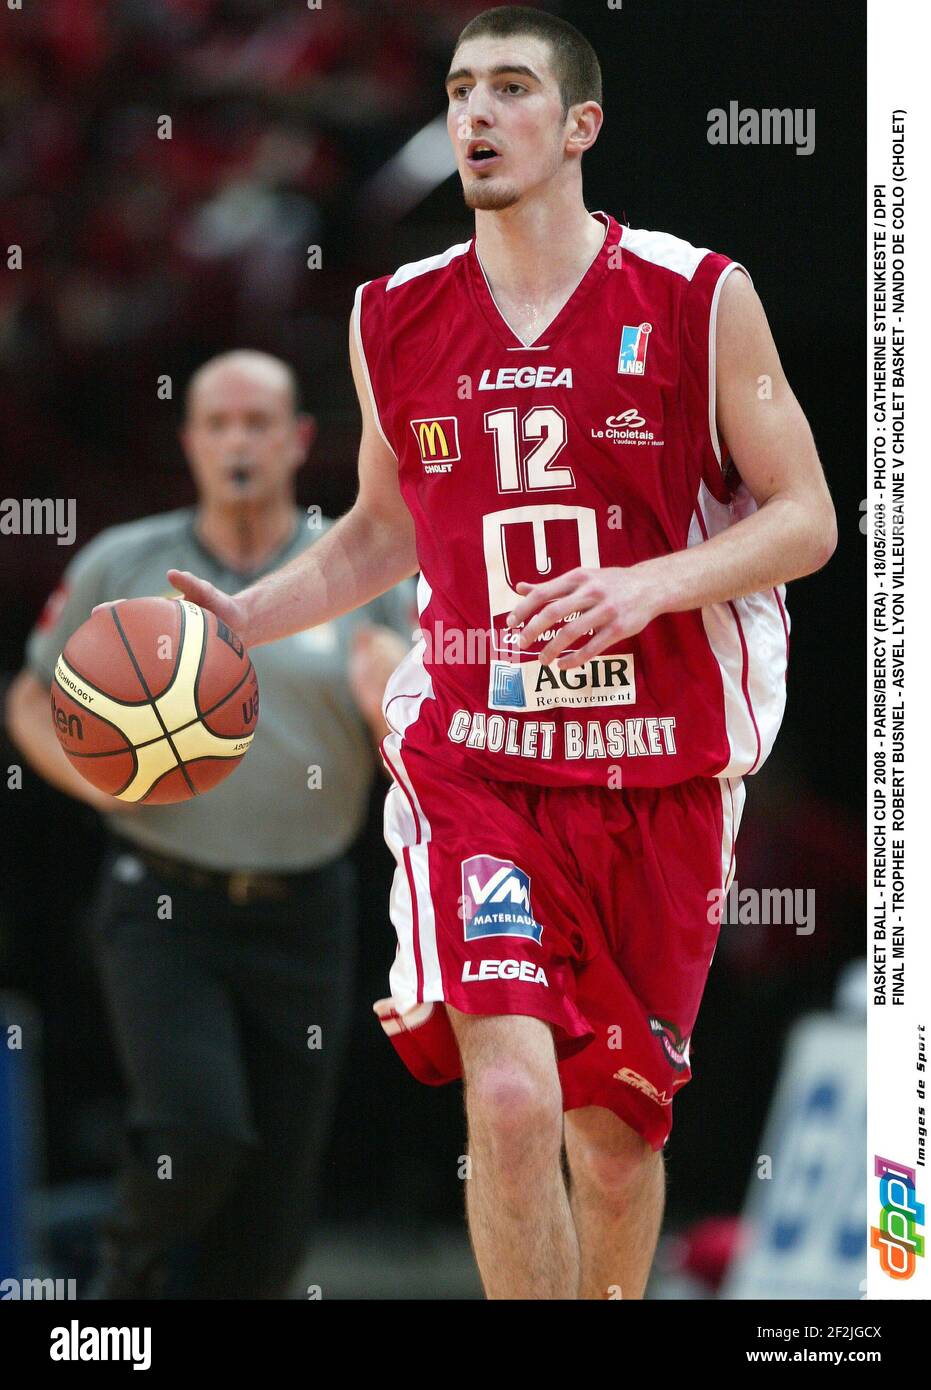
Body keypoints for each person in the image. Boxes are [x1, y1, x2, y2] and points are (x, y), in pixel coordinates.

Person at [165, 7, 837, 1300]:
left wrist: (651, 583)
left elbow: (805, 515)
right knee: (518, 1100)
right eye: (460, 88)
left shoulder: (699, 296)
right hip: (479, 759)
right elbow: (379, 533)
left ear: (578, 125)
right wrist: (249, 616)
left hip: (660, 765)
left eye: (510, 88)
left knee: (617, 1137)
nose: (474, 113)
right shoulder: (394, 320)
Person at [6, 349, 413, 1298]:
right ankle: (116, 1296)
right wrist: (90, 779)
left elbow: (415, 705)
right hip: (162, 904)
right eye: (218, 424)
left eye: (258, 423)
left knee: (273, 1211)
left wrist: (386, 694)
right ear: (189, 441)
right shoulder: (126, 561)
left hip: (310, 906)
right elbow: (29, 700)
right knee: (197, 1135)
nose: (238, 442)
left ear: (299, 441)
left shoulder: (353, 563)